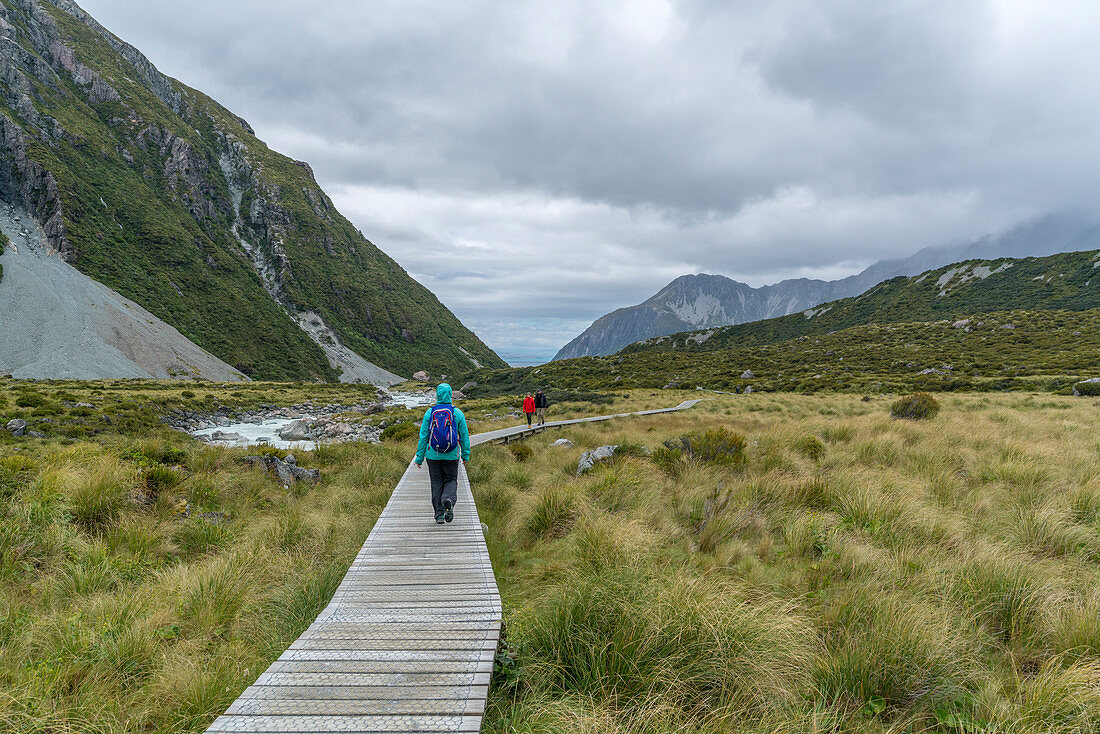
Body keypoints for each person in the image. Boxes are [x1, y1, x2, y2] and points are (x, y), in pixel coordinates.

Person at [414, 383, 471, 524]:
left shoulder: (430, 413)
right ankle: (448, 500)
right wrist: (465, 455)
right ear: (450, 394)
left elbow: (424, 437)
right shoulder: (457, 413)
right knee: (451, 480)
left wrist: (419, 458)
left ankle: (439, 515)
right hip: (452, 455)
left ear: (437, 395)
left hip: (433, 455)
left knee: (436, 483)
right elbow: (464, 436)